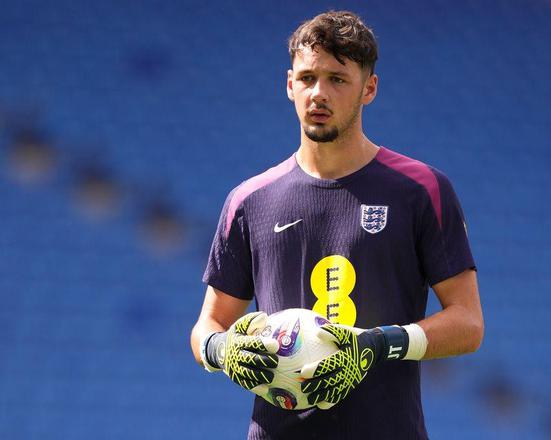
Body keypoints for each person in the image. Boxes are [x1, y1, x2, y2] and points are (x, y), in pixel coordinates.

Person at [191, 10, 484, 440]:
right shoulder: (248, 200)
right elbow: (207, 326)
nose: (318, 94)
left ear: (369, 88)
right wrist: (222, 349)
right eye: (307, 78)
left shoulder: (422, 190)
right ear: (289, 84)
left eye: (337, 79)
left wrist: (377, 344)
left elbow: (469, 324)